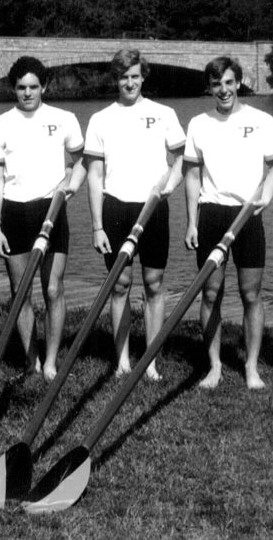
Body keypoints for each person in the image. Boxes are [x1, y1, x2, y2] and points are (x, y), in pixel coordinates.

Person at [0, 56, 86, 381]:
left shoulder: (65, 118)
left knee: (53, 288)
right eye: (21, 88)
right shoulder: (0, 124)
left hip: (51, 210)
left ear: (44, 86)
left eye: (33, 87)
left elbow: (83, 161)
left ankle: (52, 361)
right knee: (20, 290)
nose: (27, 93)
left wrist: (71, 186)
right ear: (14, 88)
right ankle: (32, 361)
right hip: (14, 211)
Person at [183, 57, 273, 390]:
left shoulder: (263, 120)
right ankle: (214, 367)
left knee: (250, 293)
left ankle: (251, 368)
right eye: (216, 84)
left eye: (228, 82)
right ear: (209, 88)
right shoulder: (198, 123)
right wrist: (192, 222)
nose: (223, 90)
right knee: (211, 293)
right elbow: (193, 175)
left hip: (248, 215)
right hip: (211, 212)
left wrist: (264, 198)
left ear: (238, 83)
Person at [86, 49, 184, 381]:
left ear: (143, 77)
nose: (129, 82)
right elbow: (95, 175)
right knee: (120, 285)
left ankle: (151, 361)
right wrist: (98, 225)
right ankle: (123, 361)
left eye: (135, 76)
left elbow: (184, 158)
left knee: (154, 284)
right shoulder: (100, 119)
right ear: (116, 79)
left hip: (153, 208)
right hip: (116, 208)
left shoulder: (164, 113)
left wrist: (169, 186)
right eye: (123, 77)